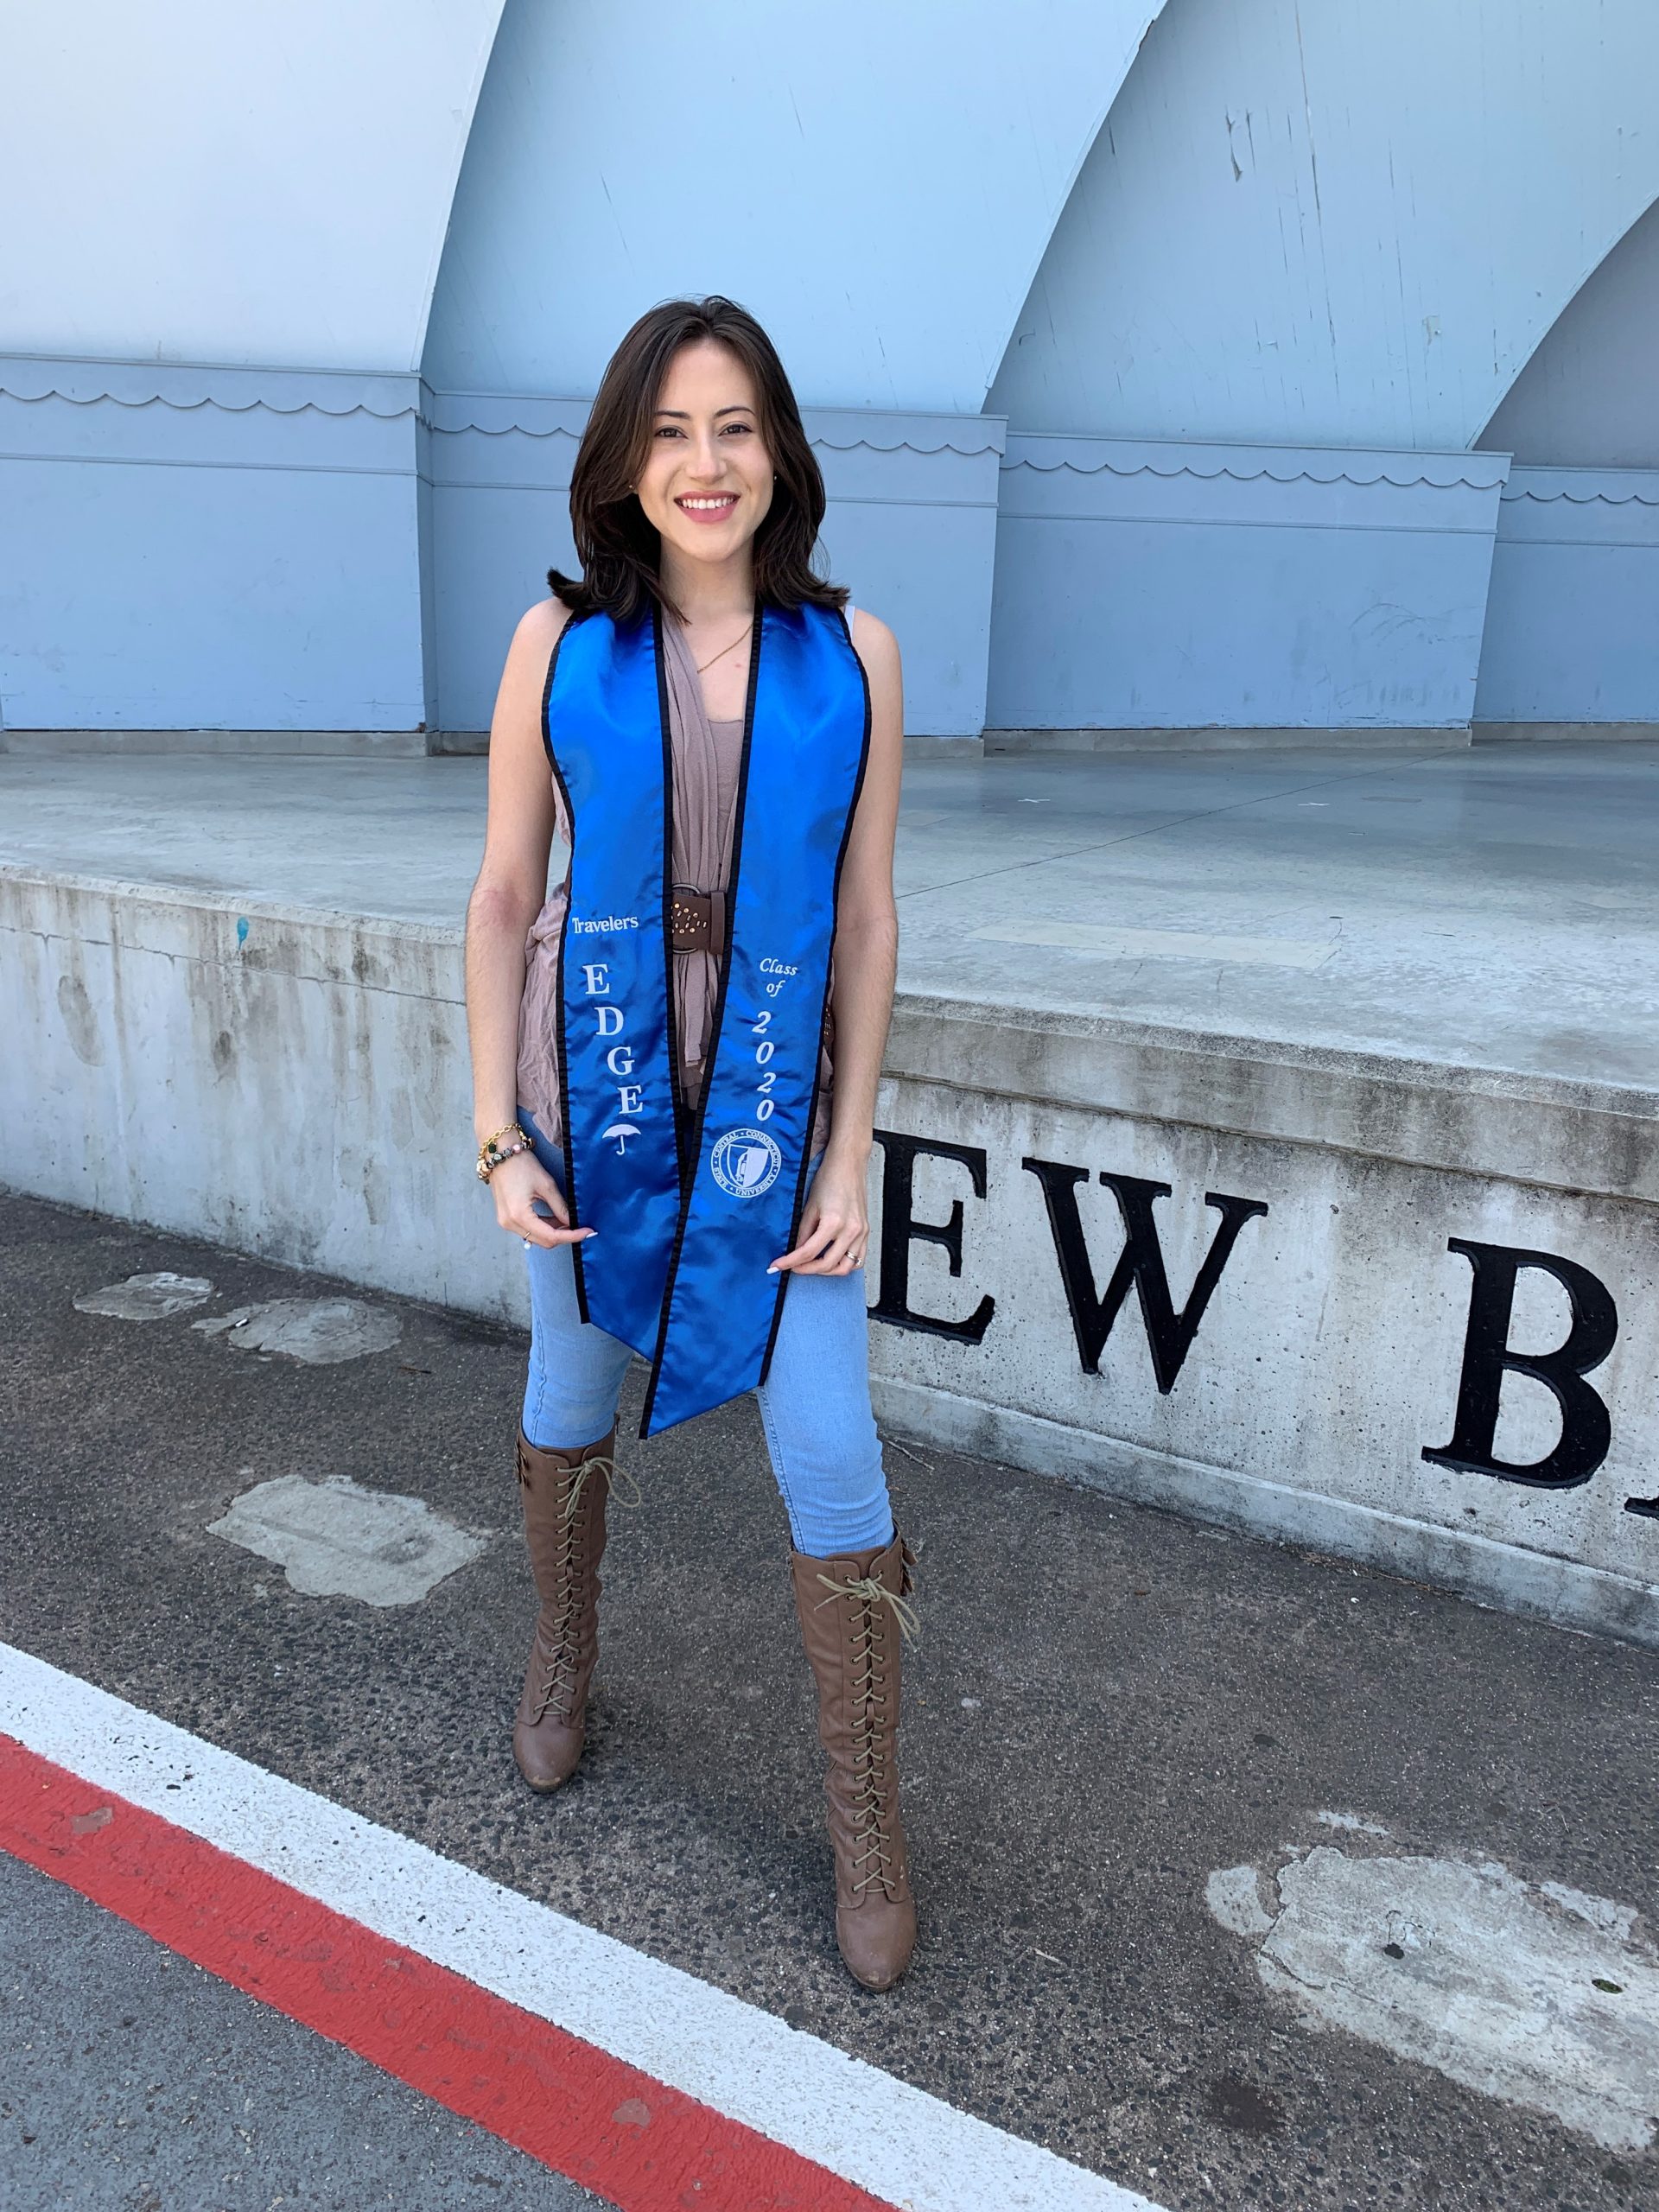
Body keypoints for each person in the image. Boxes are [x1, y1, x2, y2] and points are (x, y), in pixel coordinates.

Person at [462, 296, 916, 1992]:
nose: (703, 463)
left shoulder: (854, 658)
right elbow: (503, 893)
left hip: (774, 1122)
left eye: (734, 427)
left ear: (778, 449)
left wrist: (850, 1151)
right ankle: (561, 1652)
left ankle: (866, 1816)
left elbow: (865, 918)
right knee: (569, 1390)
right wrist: (498, 1133)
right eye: (668, 431)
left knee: (834, 1449)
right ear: (623, 461)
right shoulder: (558, 644)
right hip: (593, 1097)